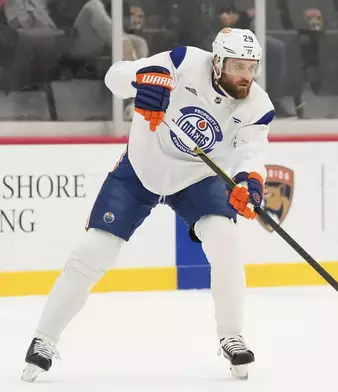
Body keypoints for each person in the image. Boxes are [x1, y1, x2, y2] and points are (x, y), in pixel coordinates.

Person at [21, 27, 274, 382]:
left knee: (226, 242)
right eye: (237, 66)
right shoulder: (184, 61)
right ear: (217, 62)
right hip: (141, 168)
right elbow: (115, 78)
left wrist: (249, 180)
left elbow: (251, 151)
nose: (245, 76)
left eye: (252, 67)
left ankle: (231, 335)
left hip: (196, 179)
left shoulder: (257, 105)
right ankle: (43, 340)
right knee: (93, 251)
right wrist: (147, 79)